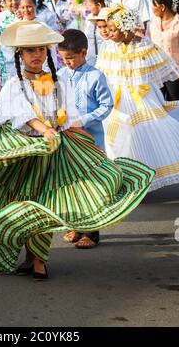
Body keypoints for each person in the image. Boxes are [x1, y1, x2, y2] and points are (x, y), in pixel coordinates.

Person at [0, 20, 155, 279]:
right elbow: (23, 115)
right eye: (30, 51)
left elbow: (67, 116)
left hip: (53, 153)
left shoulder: (59, 83)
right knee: (23, 205)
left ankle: (39, 260)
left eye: (41, 49)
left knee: (46, 205)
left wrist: (78, 136)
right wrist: (43, 129)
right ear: (20, 54)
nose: (37, 55)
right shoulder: (14, 85)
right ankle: (29, 257)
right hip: (25, 154)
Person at [96, 5, 179, 191]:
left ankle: (142, 179)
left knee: (146, 138)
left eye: (113, 29)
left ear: (125, 28)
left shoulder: (146, 46)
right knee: (118, 140)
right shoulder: (108, 48)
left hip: (143, 101)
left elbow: (172, 70)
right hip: (117, 103)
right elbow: (99, 76)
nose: (108, 34)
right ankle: (124, 179)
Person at [58, 29, 114, 248]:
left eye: (70, 58)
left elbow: (106, 106)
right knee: (71, 185)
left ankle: (91, 233)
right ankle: (75, 225)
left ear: (84, 52)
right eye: (63, 59)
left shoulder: (95, 76)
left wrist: (84, 120)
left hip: (90, 140)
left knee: (91, 186)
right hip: (68, 140)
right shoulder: (60, 75)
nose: (67, 63)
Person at [149, 0, 179, 100]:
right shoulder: (153, 23)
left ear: (162, 7)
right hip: (155, 72)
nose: (152, 8)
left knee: (174, 105)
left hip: (175, 73)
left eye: (154, 5)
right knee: (158, 106)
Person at [84, 0, 106, 65]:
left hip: (105, 56)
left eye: (90, 5)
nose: (88, 8)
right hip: (90, 57)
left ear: (99, 5)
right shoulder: (89, 18)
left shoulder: (108, 18)